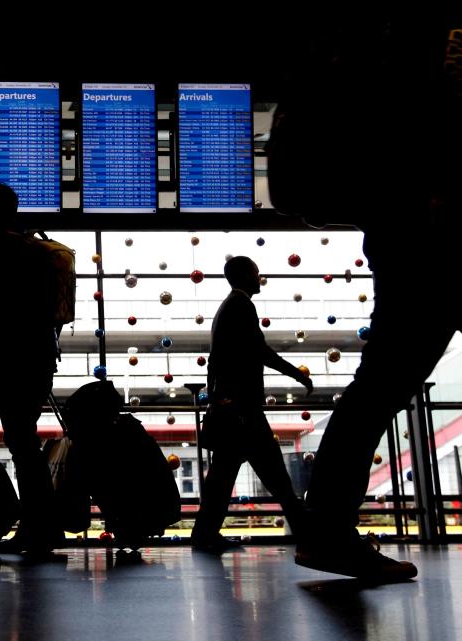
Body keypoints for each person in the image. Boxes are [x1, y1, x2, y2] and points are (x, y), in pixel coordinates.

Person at [267, 14, 461, 581]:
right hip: (431, 235)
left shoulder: (378, 49)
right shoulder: (418, 47)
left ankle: (326, 530)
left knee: (378, 389)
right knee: (380, 389)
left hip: (407, 235)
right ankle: (327, 530)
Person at [191, 256, 314, 554]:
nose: (260, 278)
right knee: (275, 476)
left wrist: (215, 397)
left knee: (224, 477)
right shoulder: (241, 306)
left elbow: (216, 360)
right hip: (243, 411)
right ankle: (309, 534)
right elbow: (260, 351)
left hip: (231, 409)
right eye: (257, 273)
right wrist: (296, 374)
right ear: (246, 275)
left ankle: (204, 533)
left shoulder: (227, 308)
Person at [0, 182, 62, 555]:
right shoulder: (37, 248)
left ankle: (36, 528)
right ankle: (44, 525)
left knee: (20, 441)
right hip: (41, 354)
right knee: (25, 438)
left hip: (10, 356)